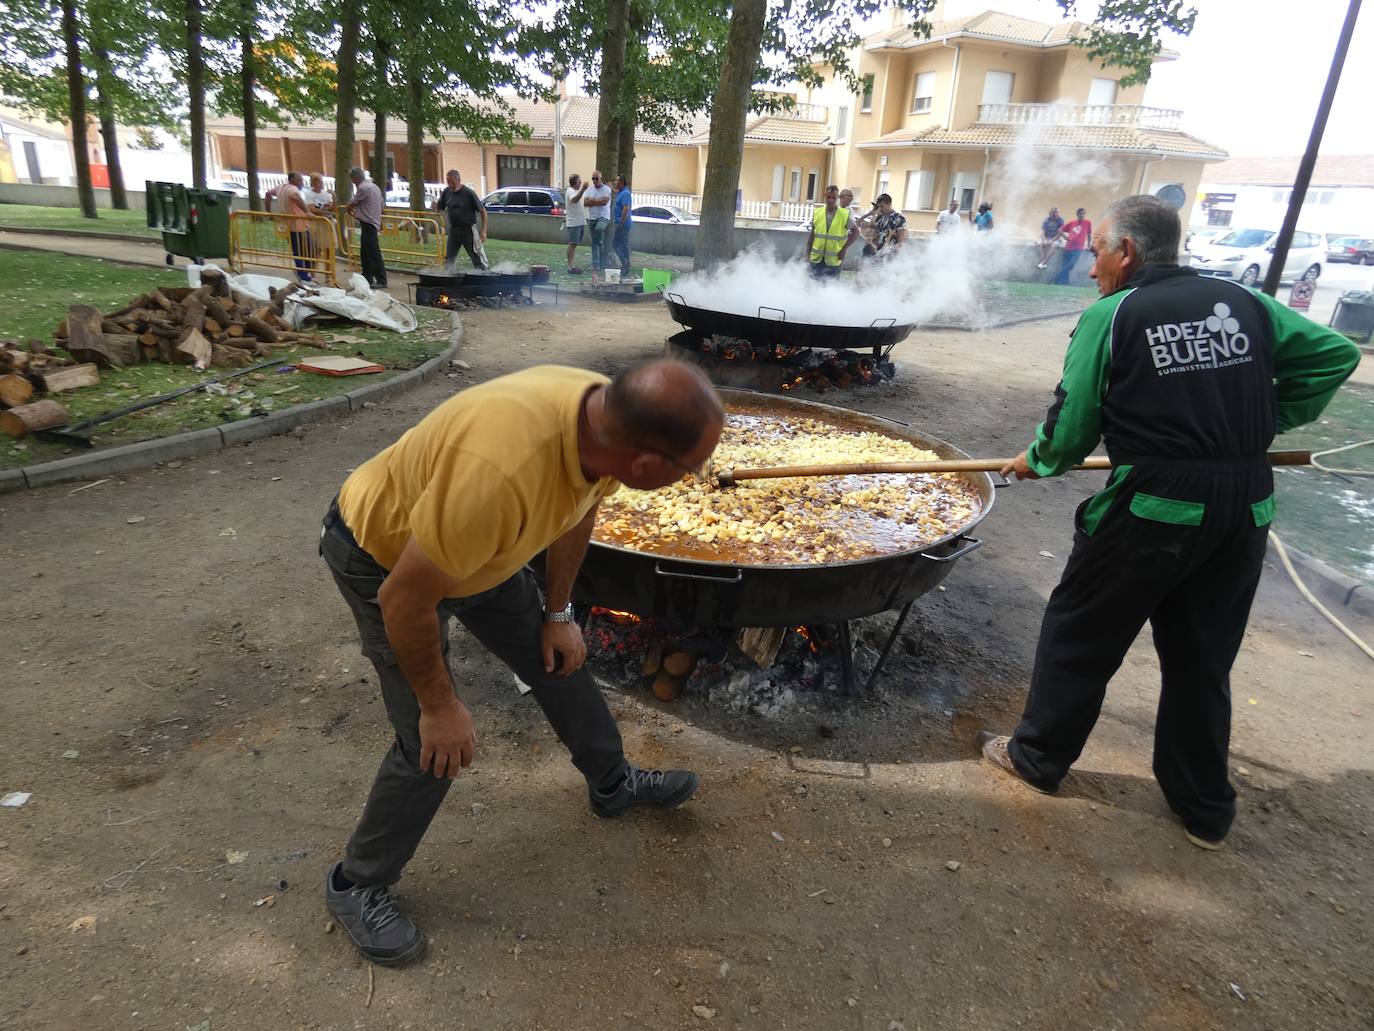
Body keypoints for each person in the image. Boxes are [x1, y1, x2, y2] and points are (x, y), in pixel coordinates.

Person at [978, 195, 1359, 851]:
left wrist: (1039, 460)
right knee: (1201, 659)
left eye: (1097, 251)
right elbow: (1333, 354)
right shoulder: (1242, 303)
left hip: (1155, 505)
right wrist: (1258, 423)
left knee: (1079, 633)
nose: (1092, 265)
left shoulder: (1113, 313)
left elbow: (1070, 430)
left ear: (1126, 252)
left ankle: (1036, 759)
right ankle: (1205, 809)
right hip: (1244, 508)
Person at [320, 360, 726, 966]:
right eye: (693, 467)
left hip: (483, 555)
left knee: (558, 659)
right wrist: (440, 704)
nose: (698, 476)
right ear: (647, 466)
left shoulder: (602, 423)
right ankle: (356, 883)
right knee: (431, 743)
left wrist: (559, 613)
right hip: (388, 563)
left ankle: (612, 785)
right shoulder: (499, 475)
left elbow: (579, 506)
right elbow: (404, 599)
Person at [434, 169, 489, 271]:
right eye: (448, 182)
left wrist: (484, 231)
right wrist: (434, 206)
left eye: (452, 182)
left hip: (468, 231)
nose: (450, 185)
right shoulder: (446, 192)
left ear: (459, 180)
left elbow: (483, 211)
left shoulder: (469, 193)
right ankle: (448, 281)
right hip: (454, 231)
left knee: (476, 258)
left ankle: (484, 277)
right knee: (449, 259)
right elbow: (439, 207)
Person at [345, 167, 387, 289]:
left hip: (368, 223)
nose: (353, 183)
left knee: (372, 253)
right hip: (373, 222)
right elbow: (382, 205)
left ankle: (380, 279)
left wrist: (350, 211)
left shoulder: (363, 188)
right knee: (367, 252)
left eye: (353, 180)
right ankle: (367, 277)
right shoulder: (374, 187)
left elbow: (352, 204)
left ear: (355, 178)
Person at [804, 184, 858, 280]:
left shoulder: (844, 214)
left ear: (837, 198)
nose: (831, 200)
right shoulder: (817, 213)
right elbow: (812, 234)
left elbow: (856, 232)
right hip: (816, 259)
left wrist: (844, 249)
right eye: (828, 197)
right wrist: (808, 254)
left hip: (834, 261)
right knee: (812, 289)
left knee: (830, 290)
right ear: (825, 196)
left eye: (834, 198)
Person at [276, 171, 314, 282]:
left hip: (289, 225)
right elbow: (296, 197)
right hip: (298, 226)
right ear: (293, 180)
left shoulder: (280, 188)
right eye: (300, 180)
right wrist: (307, 211)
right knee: (306, 250)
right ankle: (303, 275)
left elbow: (268, 194)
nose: (302, 183)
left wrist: (268, 211)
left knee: (300, 250)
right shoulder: (292, 189)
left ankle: (304, 273)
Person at [856, 193, 906, 262]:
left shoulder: (898, 218)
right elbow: (862, 223)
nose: (880, 209)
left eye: (882, 206)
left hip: (891, 255)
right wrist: (872, 213)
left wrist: (896, 254)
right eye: (879, 207)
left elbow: (901, 239)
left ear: (889, 204)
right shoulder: (880, 218)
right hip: (879, 254)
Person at [583, 170, 613, 280]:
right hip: (592, 217)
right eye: (593, 178)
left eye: (597, 178)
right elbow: (585, 203)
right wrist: (596, 201)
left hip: (603, 217)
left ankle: (601, 250)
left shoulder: (607, 189)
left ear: (601, 179)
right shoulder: (589, 190)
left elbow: (604, 202)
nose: (595, 180)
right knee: (594, 242)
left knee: (600, 229)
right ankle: (596, 264)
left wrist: (592, 201)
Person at [1054, 208, 1092, 285]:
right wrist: (1065, 237)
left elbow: (1089, 235)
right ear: (1077, 214)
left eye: (1084, 214)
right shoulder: (1072, 223)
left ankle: (1057, 277)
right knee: (1065, 266)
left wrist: (1088, 245)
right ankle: (1064, 283)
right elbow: (1060, 230)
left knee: (1071, 265)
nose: (1083, 215)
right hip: (1068, 247)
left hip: (1078, 248)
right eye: (1081, 214)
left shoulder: (1087, 223)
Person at [564, 173, 589, 274]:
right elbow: (574, 200)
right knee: (572, 243)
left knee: (574, 244)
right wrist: (583, 189)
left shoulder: (575, 191)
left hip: (579, 222)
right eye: (579, 182)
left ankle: (572, 265)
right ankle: (570, 266)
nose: (580, 183)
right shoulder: (570, 191)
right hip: (574, 223)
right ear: (575, 182)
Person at [611, 174, 633, 277]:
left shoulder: (625, 194)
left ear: (622, 182)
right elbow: (617, 192)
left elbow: (626, 208)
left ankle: (625, 264)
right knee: (619, 244)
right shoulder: (621, 192)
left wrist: (621, 222)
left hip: (623, 224)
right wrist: (611, 188)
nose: (615, 182)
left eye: (617, 181)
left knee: (618, 244)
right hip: (620, 223)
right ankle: (625, 264)